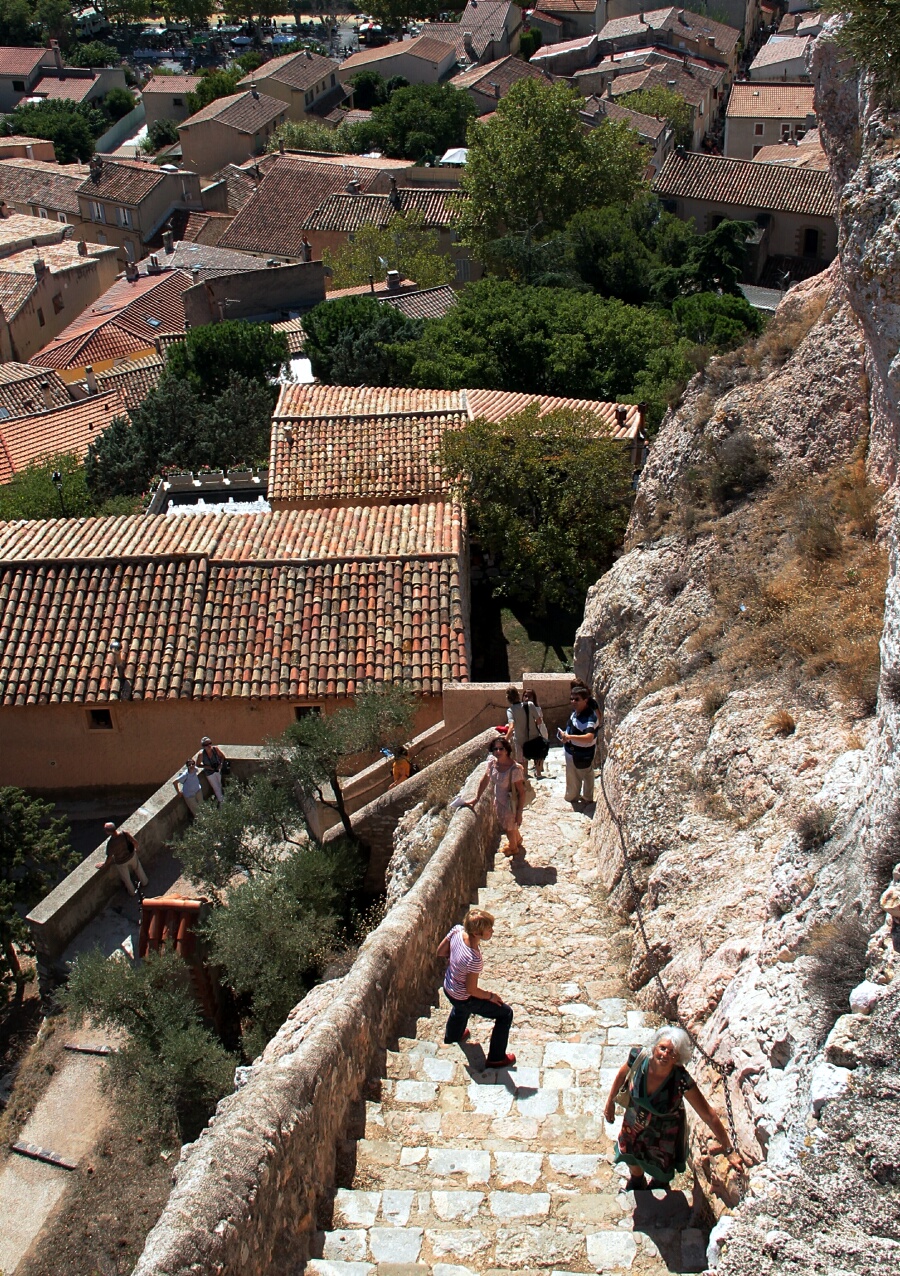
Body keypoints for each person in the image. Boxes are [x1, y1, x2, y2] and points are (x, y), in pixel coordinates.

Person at [604, 1026, 744, 1192]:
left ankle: (658, 1187)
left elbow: (708, 1115)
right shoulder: (638, 1057)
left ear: (678, 1057)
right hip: (634, 1122)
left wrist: (728, 1149)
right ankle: (637, 1181)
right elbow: (622, 1074)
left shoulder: (681, 1080)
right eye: (662, 1048)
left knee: (661, 1169)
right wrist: (610, 1103)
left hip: (664, 1132)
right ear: (654, 1047)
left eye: (672, 1052)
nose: (665, 1055)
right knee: (631, 1157)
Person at [437, 906, 515, 1070]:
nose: (491, 932)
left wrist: (456, 963)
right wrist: (491, 996)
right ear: (476, 934)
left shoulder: (457, 930)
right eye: (488, 930)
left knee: (460, 1007)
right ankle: (496, 1058)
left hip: (448, 987)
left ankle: (453, 1036)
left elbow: (441, 951)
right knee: (505, 1013)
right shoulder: (473, 958)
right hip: (462, 996)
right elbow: (471, 990)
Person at [469, 735, 526, 858]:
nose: (498, 752)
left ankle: (513, 847)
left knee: (509, 827)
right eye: (495, 749)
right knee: (510, 825)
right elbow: (484, 780)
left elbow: (521, 792)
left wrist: (519, 812)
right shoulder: (492, 763)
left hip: (510, 804)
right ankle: (518, 840)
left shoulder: (514, 769)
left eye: (501, 749)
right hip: (499, 801)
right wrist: (476, 798)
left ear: (507, 750)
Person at [559, 684, 599, 805]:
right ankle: (587, 796)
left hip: (579, 753)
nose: (573, 701)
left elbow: (589, 737)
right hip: (577, 751)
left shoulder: (589, 718)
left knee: (575, 776)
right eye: (571, 698)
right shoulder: (576, 712)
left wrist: (569, 737)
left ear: (585, 700)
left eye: (577, 699)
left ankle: (573, 797)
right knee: (587, 774)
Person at [96, 821, 148, 900]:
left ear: (108, 832)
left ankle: (132, 892)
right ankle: (145, 882)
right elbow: (134, 842)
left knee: (126, 878)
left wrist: (104, 864)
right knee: (138, 869)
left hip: (121, 862)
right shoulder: (124, 834)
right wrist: (136, 848)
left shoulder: (110, 844)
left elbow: (109, 857)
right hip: (131, 856)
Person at [520, 688, 550, 780]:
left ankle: (538, 771)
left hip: (538, 732)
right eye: (526, 696)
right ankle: (526, 772)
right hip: (528, 732)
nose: (527, 698)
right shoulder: (520, 708)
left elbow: (538, 721)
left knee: (538, 752)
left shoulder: (536, 708)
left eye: (530, 696)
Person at [196, 736, 226, 805]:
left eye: (210, 743)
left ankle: (221, 798)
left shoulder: (215, 749)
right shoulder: (201, 755)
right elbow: (198, 764)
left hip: (217, 770)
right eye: (206, 745)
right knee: (216, 787)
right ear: (203, 746)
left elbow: (222, 756)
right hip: (209, 773)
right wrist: (208, 767)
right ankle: (221, 802)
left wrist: (220, 764)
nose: (209, 746)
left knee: (219, 784)